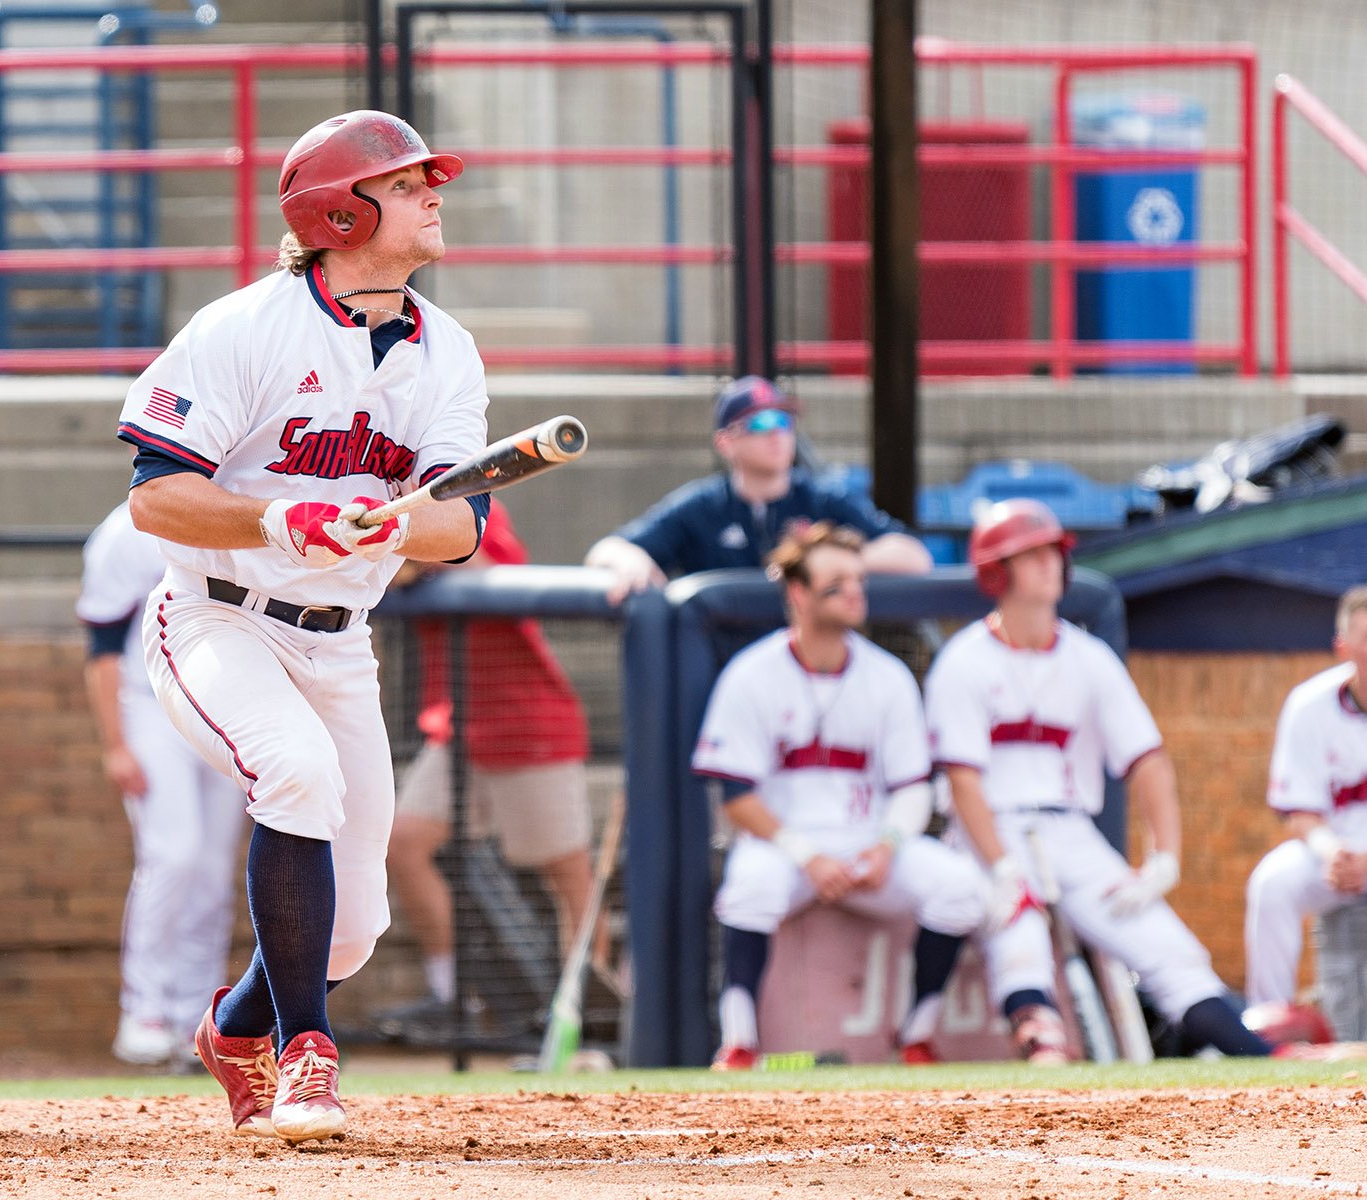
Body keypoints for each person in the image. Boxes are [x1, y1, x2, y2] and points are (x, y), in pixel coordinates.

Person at [120, 110, 489, 1143]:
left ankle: (238, 1025)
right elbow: (154, 499)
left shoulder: (445, 352)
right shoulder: (244, 327)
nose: (432, 196)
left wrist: (403, 521)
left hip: (338, 641)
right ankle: (307, 1057)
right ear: (340, 209)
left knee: (354, 929)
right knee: (294, 772)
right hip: (215, 620)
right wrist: (282, 515)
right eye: (407, 182)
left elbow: (459, 526)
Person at [924, 498, 1271, 1062]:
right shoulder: (963, 660)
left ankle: (1260, 1059)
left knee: (1168, 947)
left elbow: (1148, 761)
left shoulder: (1089, 657)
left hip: (1070, 831)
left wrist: (1164, 859)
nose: (1049, 565)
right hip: (990, 831)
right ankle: (1045, 1062)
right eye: (1029, 555)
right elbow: (963, 783)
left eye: (1052, 553)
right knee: (1021, 940)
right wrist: (1003, 868)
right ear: (997, 571)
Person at [694, 522, 988, 1069]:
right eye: (836, 583)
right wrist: (808, 856)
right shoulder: (751, 673)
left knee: (962, 888)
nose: (855, 592)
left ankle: (917, 1036)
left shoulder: (887, 676)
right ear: (799, 594)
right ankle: (739, 1043)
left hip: (866, 843)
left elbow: (910, 788)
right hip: (786, 847)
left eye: (858, 580)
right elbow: (735, 795)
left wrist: (888, 845)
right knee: (747, 887)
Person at [379, 501, 598, 1039]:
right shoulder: (382, 500)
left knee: (566, 876)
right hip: (456, 722)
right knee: (404, 842)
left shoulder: (467, 502)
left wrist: (409, 550)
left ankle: (586, 1013)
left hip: (527, 719)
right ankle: (452, 995)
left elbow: (482, 562)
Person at [78, 502, 248, 1067]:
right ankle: (144, 1010)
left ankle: (196, 1016)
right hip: (151, 705)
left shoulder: (238, 510)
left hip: (225, 703)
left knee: (213, 869)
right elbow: (101, 647)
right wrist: (116, 744)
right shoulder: (124, 531)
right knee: (173, 854)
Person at [584, 375, 931, 602]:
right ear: (726, 442)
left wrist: (828, 561)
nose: (777, 434)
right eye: (760, 423)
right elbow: (606, 550)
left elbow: (913, 556)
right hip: (722, 673)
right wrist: (629, 559)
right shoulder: (703, 505)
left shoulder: (822, 497)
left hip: (809, 663)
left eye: (784, 421)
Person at [1244, 586, 1367, 1008]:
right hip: (1338, 853)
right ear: (1343, 647)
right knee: (1272, 884)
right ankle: (1268, 1027)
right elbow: (1300, 811)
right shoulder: (1309, 705)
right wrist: (1331, 852)